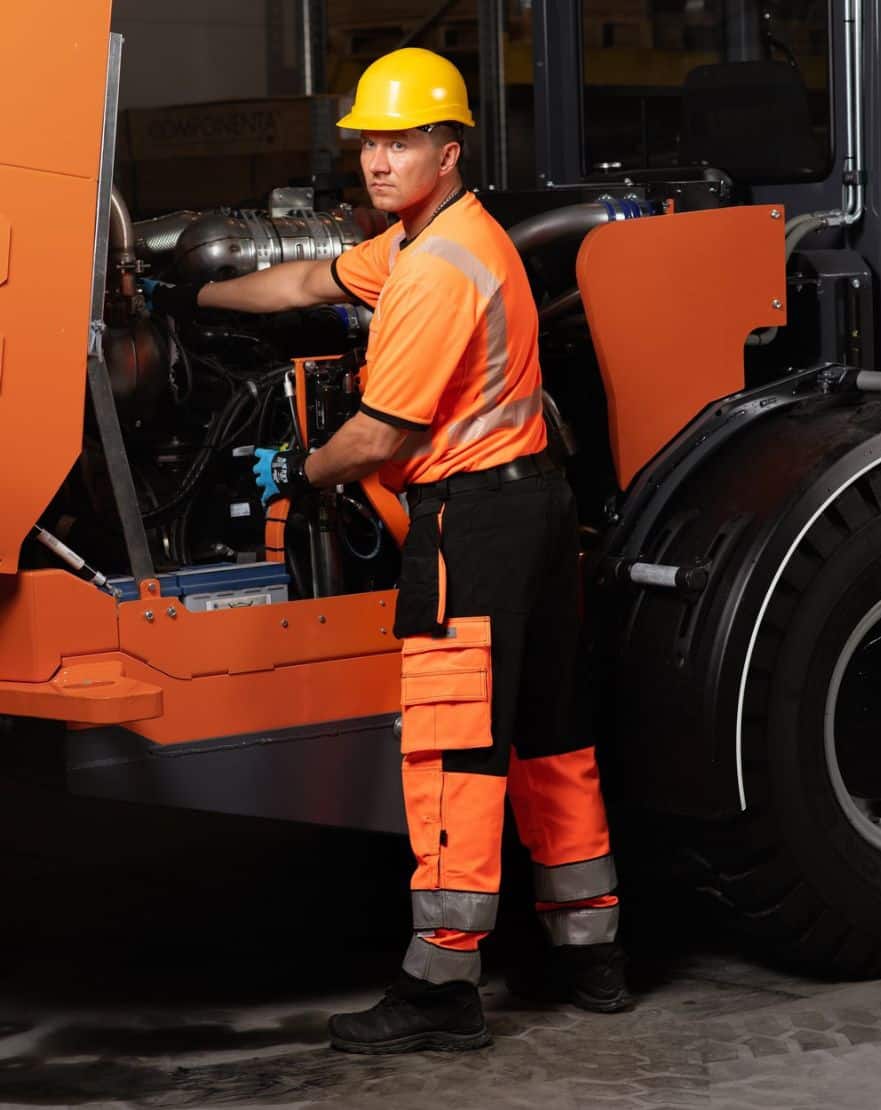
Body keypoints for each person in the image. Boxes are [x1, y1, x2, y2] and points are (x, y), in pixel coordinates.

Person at [144, 46, 628, 1055]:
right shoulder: (436, 241)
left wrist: (300, 469)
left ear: (449, 151)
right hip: (534, 506)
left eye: (401, 142)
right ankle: (592, 952)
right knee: (550, 735)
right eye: (369, 141)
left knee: (452, 747)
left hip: (474, 524)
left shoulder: (437, 272)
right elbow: (307, 280)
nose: (377, 160)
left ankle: (441, 986)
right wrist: (189, 300)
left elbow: (377, 438)